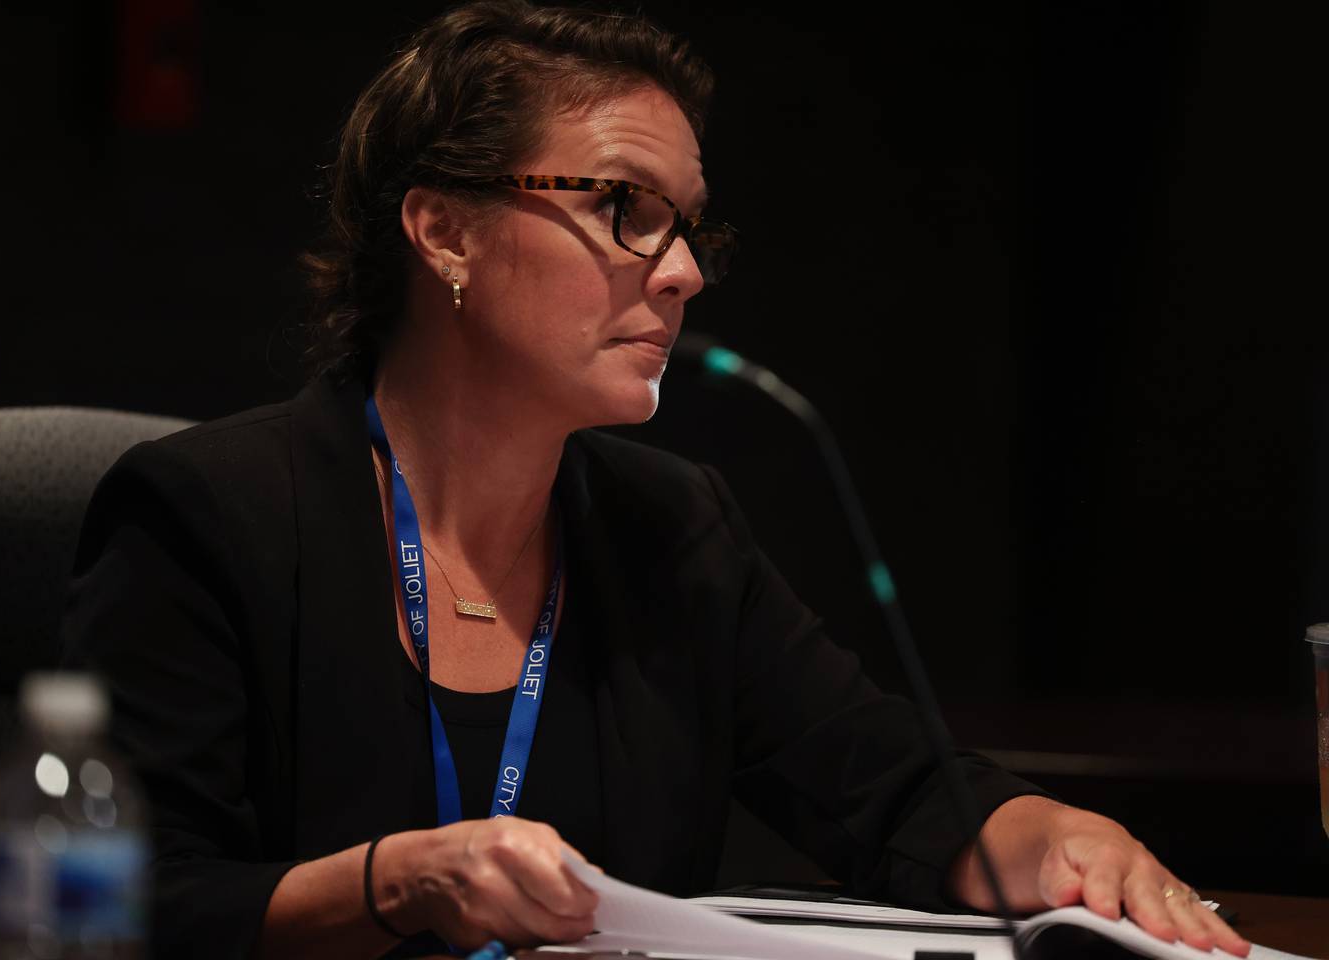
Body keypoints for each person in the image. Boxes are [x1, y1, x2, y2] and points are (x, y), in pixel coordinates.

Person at [60, 2, 1250, 958]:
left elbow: (886, 788)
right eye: (627, 210)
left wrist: (1050, 834)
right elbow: (113, 907)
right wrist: (398, 881)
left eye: (688, 229)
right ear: (445, 232)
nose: (680, 272)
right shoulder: (210, 514)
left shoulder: (671, 527)